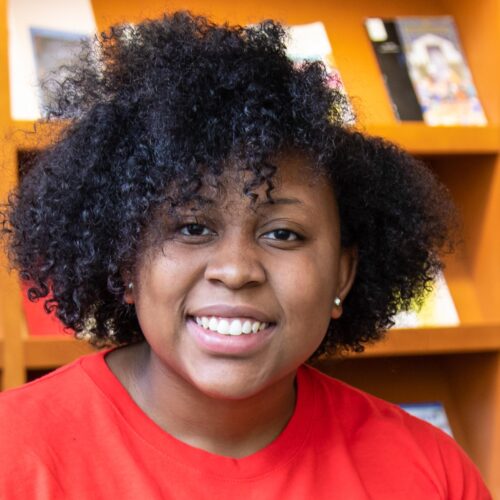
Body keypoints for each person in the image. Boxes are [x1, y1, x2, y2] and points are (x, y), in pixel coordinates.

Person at [0, 11, 491, 499]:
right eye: (193, 227)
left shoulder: (431, 473)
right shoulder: (14, 455)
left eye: (283, 234)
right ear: (127, 261)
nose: (235, 270)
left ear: (343, 275)